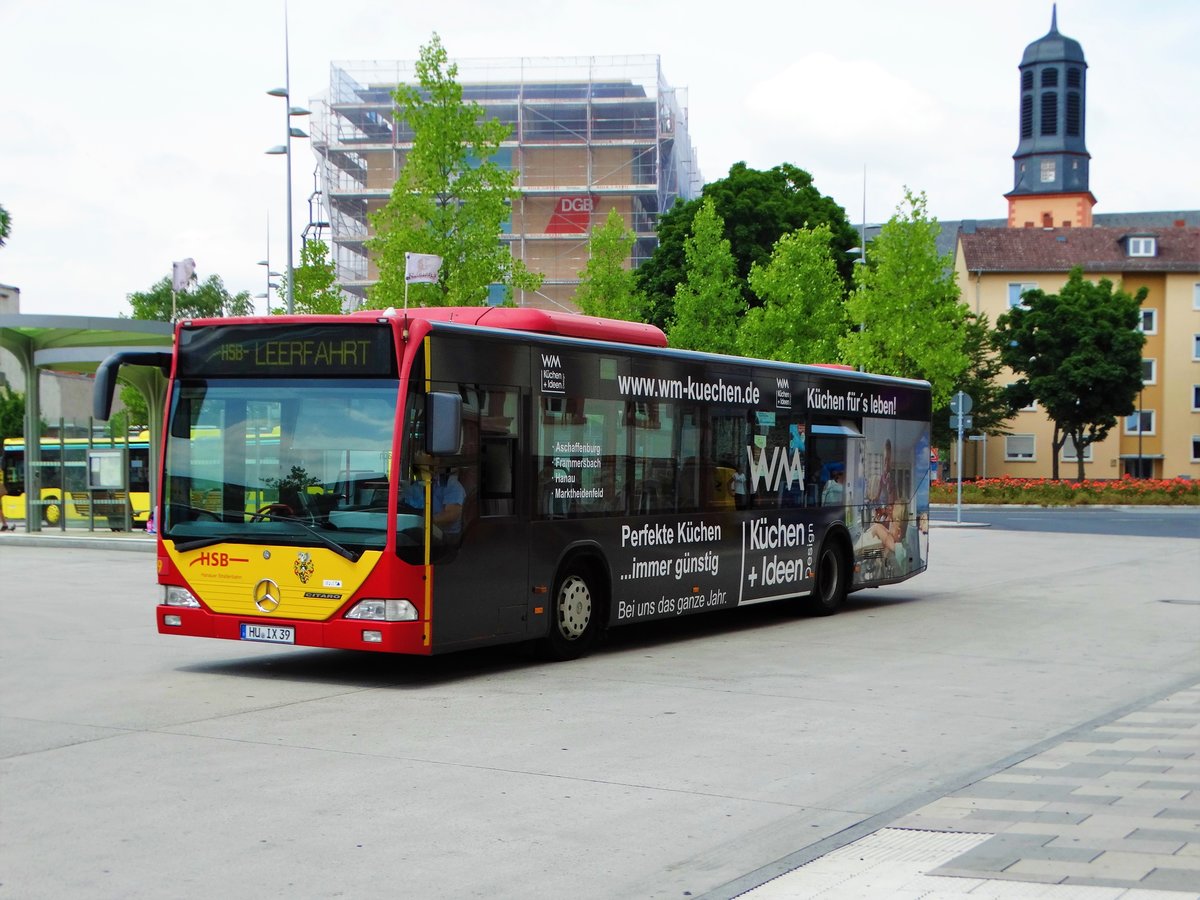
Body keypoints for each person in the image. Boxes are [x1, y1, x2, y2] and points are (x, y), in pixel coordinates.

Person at [403, 451, 465, 535]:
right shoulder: (417, 485)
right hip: (421, 532)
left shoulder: (451, 484)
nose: (418, 470)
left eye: (423, 466)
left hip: (447, 537)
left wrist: (425, 521)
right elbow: (408, 505)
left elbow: (451, 515)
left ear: (436, 462)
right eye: (417, 465)